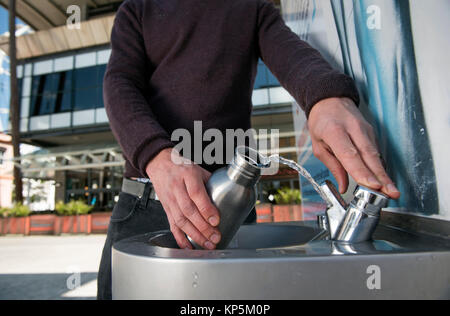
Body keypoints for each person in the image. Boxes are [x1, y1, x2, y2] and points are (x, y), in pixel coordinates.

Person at [97, 0, 400, 299]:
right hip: (148, 201)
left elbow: (292, 55)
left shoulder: (251, 8)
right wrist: (157, 156)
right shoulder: (138, 8)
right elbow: (119, 83)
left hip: (231, 208)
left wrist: (325, 98)